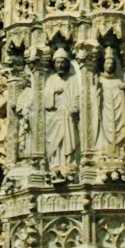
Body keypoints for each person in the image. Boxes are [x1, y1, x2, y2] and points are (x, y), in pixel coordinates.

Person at [44, 47, 80, 175]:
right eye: (57, 62)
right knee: (54, 141)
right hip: (54, 116)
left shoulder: (73, 79)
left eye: (62, 62)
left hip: (68, 115)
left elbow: (77, 95)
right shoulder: (50, 80)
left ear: (67, 63)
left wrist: (74, 107)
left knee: (68, 140)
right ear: (54, 64)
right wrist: (53, 92)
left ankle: (69, 163)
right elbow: (46, 101)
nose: (60, 65)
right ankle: (54, 163)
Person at [94, 46, 125, 160]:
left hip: (117, 112)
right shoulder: (100, 80)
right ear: (103, 65)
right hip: (105, 112)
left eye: (111, 63)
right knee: (103, 128)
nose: (109, 65)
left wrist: (124, 91)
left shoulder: (118, 81)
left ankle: (120, 152)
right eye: (107, 63)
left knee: (118, 129)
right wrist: (97, 91)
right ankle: (103, 151)